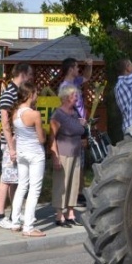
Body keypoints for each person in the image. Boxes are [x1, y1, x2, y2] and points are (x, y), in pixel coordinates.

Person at [0, 63, 33, 231]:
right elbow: (5, 123)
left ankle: (14, 212)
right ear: (22, 74)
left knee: (14, 179)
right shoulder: (8, 94)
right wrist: (11, 147)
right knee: (6, 179)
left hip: (18, 142)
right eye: (29, 74)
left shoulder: (17, 92)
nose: (31, 78)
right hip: (10, 144)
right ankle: (0, 215)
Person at [10, 82, 47, 237]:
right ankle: (28, 227)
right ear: (30, 94)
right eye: (36, 93)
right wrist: (44, 132)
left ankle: (15, 221)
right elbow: (41, 139)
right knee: (34, 189)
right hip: (35, 153)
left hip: (22, 152)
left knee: (22, 186)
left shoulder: (15, 112)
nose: (37, 96)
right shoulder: (34, 114)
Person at [50, 85, 87, 227]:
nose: (76, 98)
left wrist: (82, 125)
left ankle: (70, 214)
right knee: (62, 184)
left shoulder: (74, 112)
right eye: (74, 96)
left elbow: (78, 130)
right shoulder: (58, 114)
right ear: (66, 98)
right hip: (63, 153)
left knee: (74, 184)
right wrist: (55, 157)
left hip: (76, 153)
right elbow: (52, 137)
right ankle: (59, 215)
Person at [58, 57, 93, 121]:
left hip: (80, 121)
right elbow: (67, 108)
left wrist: (89, 65)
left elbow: (86, 77)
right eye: (76, 67)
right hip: (74, 122)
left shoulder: (76, 81)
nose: (78, 69)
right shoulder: (65, 87)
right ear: (71, 69)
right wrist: (78, 120)